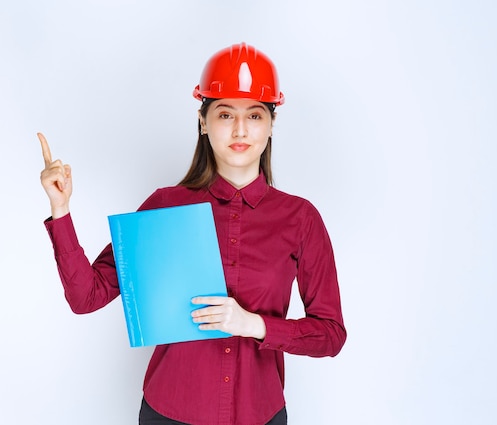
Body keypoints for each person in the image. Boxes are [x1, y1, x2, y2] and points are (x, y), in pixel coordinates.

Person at [39, 42, 346, 425]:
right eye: (224, 113)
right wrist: (61, 209)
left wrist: (254, 325)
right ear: (203, 121)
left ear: (270, 124)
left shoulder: (300, 218)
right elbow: (86, 296)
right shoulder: (165, 205)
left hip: (259, 414)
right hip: (170, 412)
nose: (239, 129)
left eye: (254, 115)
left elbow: (330, 334)